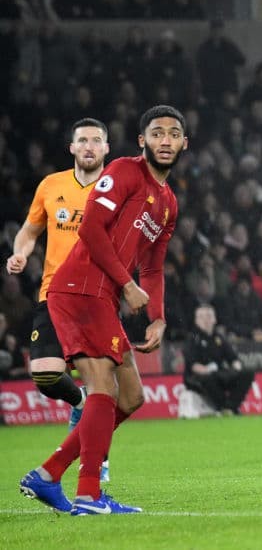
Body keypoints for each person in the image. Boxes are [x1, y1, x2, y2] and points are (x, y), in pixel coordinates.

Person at [18, 104, 187, 516]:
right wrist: (126, 285)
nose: (166, 140)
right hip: (79, 288)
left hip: (103, 297)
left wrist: (159, 317)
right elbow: (91, 227)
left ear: (184, 143)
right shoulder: (124, 172)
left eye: (174, 133)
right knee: (103, 390)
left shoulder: (167, 203)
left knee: (130, 397)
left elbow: (153, 266)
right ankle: (89, 494)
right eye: (158, 133)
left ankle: (49, 473)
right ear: (141, 141)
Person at [6, 118, 113, 481]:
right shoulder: (51, 186)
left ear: (106, 149)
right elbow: (29, 230)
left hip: (98, 297)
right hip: (53, 293)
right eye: (82, 140)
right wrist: (20, 252)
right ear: (71, 147)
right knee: (46, 375)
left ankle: (96, 466)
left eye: (96, 141)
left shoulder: (117, 190)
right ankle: (79, 403)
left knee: (104, 385)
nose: (88, 146)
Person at [182, 304, 255, 416]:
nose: (206, 319)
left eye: (209, 316)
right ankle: (223, 407)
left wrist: (236, 369)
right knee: (208, 379)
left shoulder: (219, 338)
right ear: (196, 320)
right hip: (199, 377)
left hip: (219, 374)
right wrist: (210, 371)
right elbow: (194, 366)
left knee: (247, 373)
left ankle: (230, 407)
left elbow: (233, 359)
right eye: (202, 317)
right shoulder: (192, 339)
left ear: (214, 319)